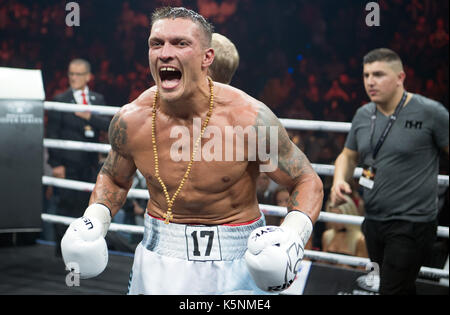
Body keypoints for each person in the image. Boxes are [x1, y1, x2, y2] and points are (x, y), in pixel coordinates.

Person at [60, 7, 323, 294]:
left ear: (207, 57)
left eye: (180, 43)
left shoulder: (248, 119)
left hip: (234, 263)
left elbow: (305, 180)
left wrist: (292, 234)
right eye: (156, 43)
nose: (165, 53)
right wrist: (95, 220)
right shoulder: (132, 119)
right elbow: (114, 177)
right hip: (159, 257)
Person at [330, 48, 449, 295]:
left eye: (379, 74)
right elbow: (348, 155)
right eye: (366, 75)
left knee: (391, 290)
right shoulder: (363, 115)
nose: (370, 82)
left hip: (412, 223)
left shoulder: (431, 113)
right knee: (399, 289)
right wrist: (339, 180)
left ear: (400, 78)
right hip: (373, 219)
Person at [46, 58, 111, 255]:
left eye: (78, 74)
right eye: (71, 74)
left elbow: (108, 126)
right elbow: (52, 134)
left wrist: (89, 116)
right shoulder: (60, 100)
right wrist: (55, 164)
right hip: (68, 164)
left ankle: (83, 250)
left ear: (88, 77)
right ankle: (62, 250)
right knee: (66, 206)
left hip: (90, 164)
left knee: (87, 208)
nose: (74, 78)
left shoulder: (97, 99)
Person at [321, 195, 368, 268]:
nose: (335, 221)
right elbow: (323, 265)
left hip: (349, 278)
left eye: (339, 215)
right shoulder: (327, 235)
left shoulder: (360, 239)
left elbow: (362, 269)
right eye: (332, 215)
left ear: (348, 213)